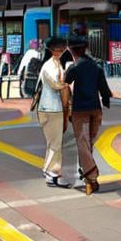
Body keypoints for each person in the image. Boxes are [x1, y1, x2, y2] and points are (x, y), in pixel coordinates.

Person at [64, 29, 113, 195]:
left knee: (82, 144)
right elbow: (104, 89)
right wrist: (106, 100)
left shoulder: (74, 67)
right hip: (96, 110)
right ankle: (86, 175)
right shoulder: (96, 65)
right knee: (88, 143)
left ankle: (91, 176)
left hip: (80, 111)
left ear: (71, 50)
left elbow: (64, 83)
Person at [35, 36, 72, 188]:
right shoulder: (50, 66)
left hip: (50, 108)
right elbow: (56, 84)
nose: (63, 50)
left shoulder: (55, 63)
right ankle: (53, 174)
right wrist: (67, 85)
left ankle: (48, 170)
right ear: (53, 50)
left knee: (53, 143)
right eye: (61, 48)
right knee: (55, 144)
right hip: (52, 109)